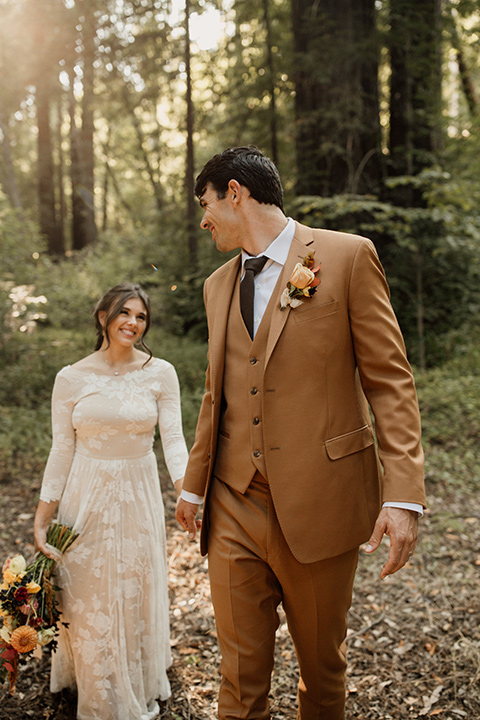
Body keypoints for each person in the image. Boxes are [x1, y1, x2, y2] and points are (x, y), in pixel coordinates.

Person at [175, 146, 426, 720]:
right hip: (233, 501)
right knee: (238, 678)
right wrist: (194, 486)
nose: (204, 219)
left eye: (207, 204)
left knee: (321, 672)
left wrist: (403, 494)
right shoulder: (217, 285)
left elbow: (389, 381)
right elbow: (218, 393)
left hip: (322, 498)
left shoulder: (346, 257)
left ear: (234, 191)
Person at [34, 282, 189, 720]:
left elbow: (174, 440)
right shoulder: (71, 377)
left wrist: (187, 492)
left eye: (141, 317)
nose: (133, 323)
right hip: (85, 494)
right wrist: (43, 515)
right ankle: (96, 683)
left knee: (130, 588)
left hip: (138, 493)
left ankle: (129, 683)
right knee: (87, 591)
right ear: (104, 316)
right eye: (125, 313)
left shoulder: (161, 373)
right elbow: (61, 449)